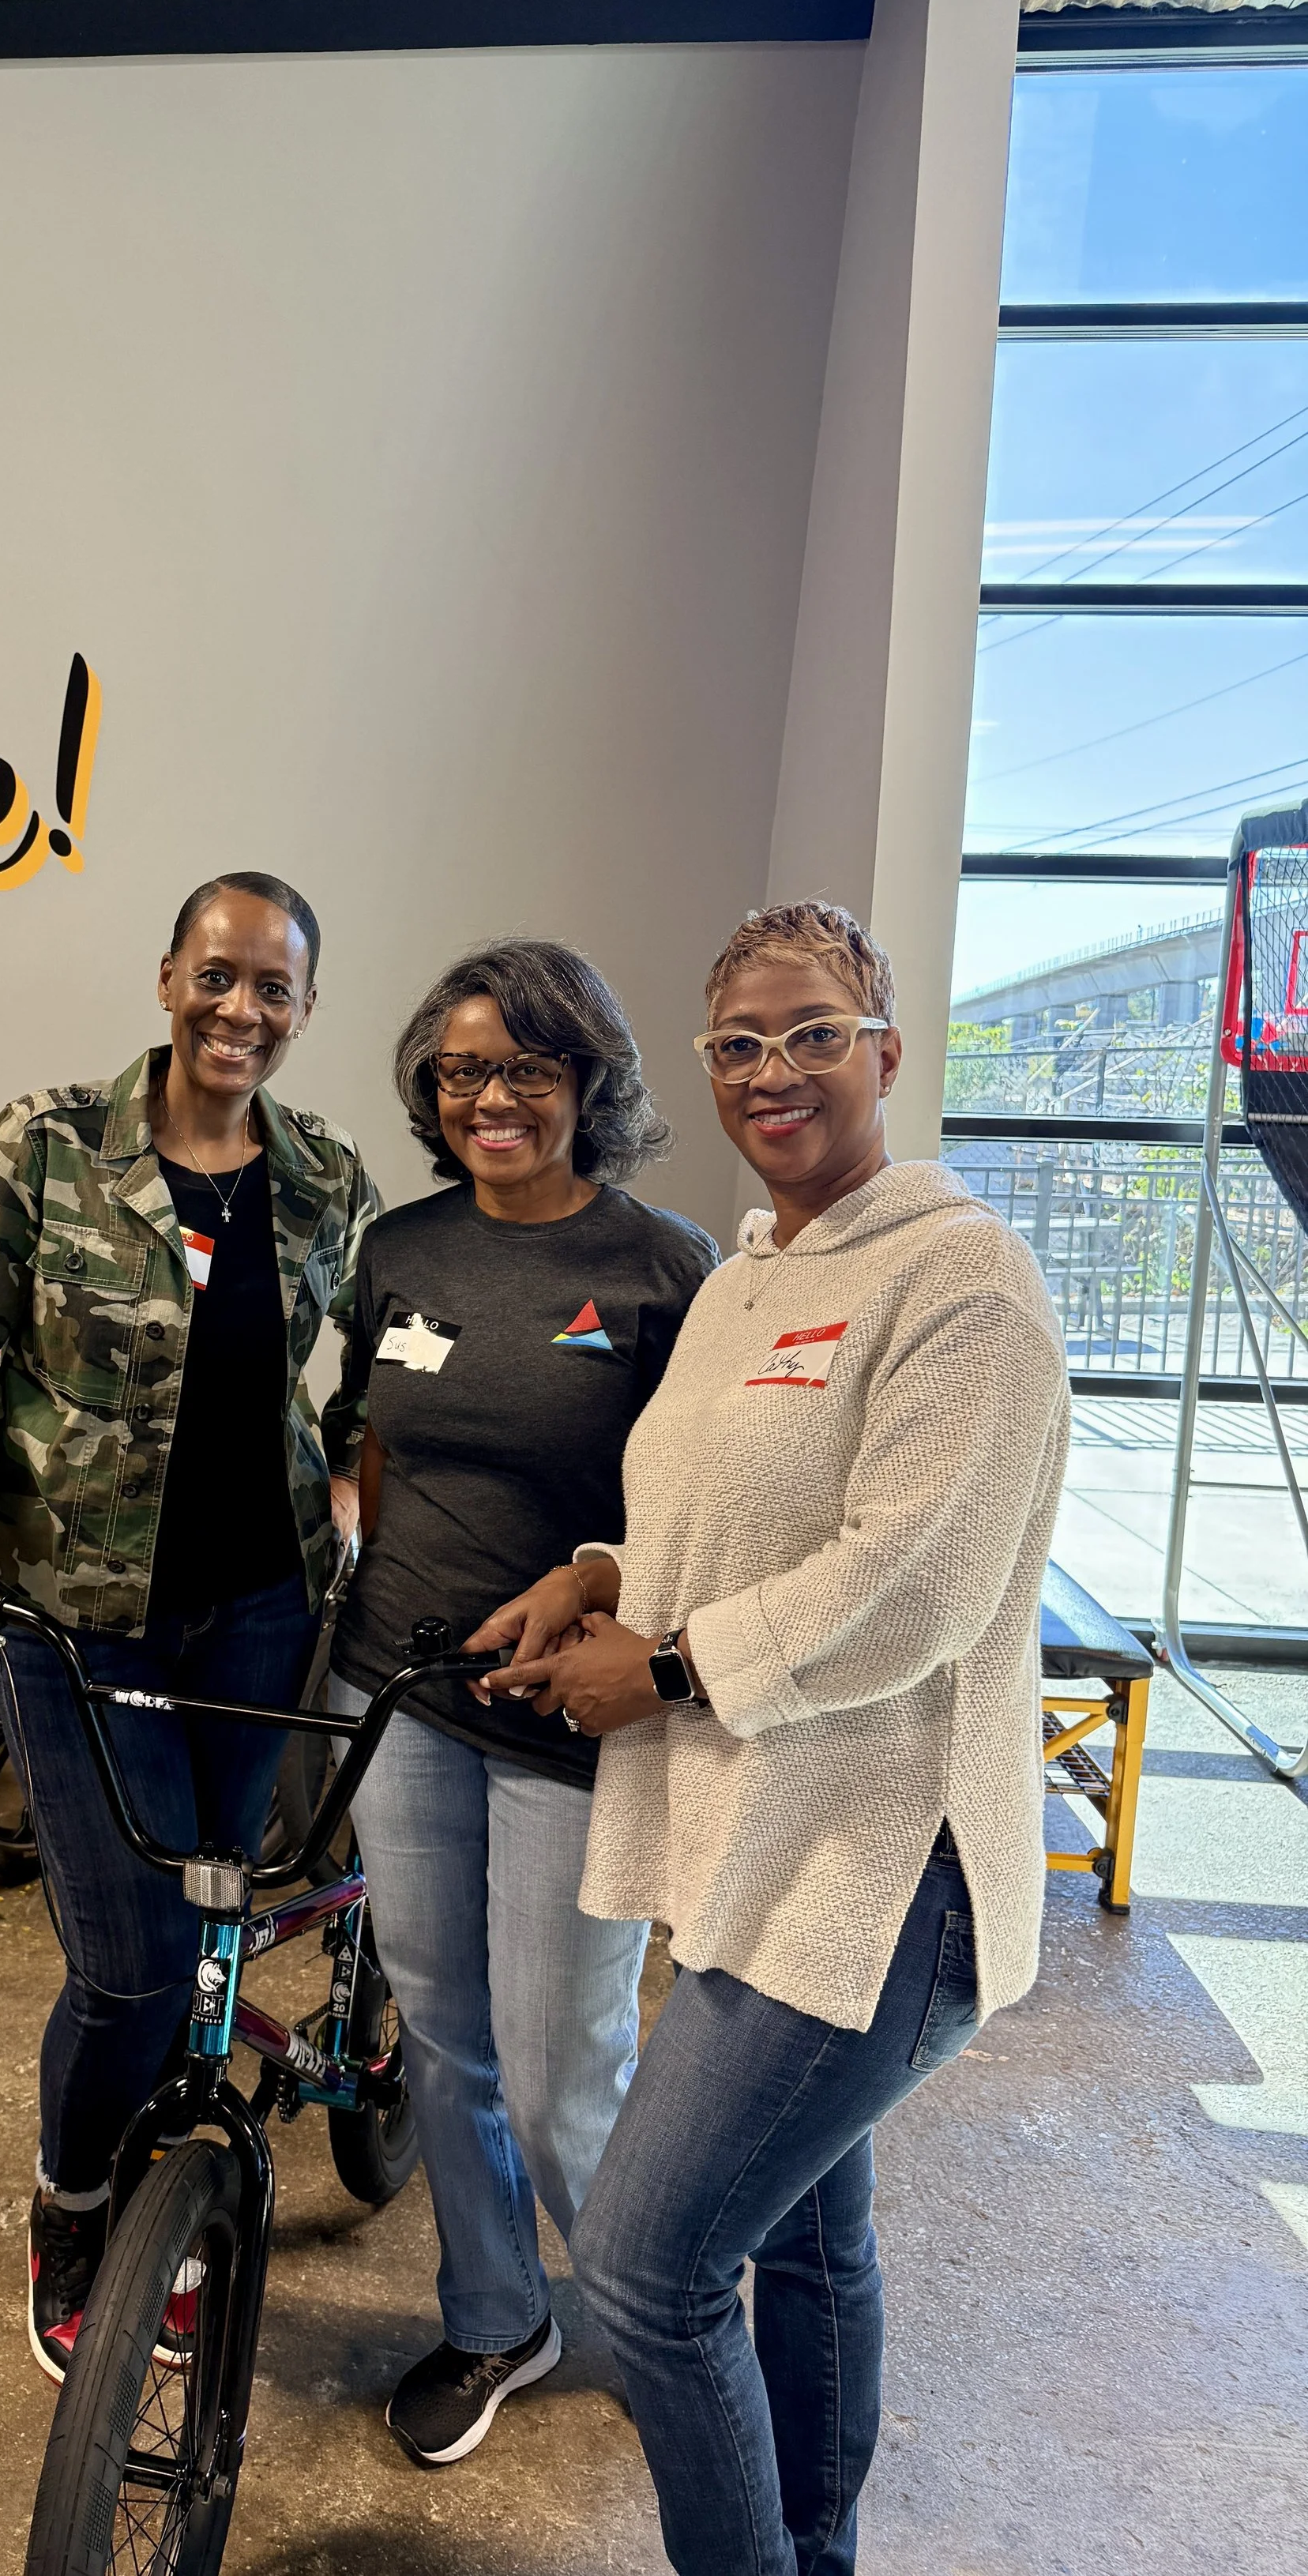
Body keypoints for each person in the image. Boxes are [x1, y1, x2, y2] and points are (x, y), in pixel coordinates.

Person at [469, 901, 1069, 2576]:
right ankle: (813, 2547)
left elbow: (915, 1582)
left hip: (881, 1871)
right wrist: (595, 1571)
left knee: (650, 2278)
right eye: (736, 1043)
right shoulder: (755, 1275)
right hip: (765, 1837)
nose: (772, 1071)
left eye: (812, 1032)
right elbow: (706, 1510)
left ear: (885, 1049)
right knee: (807, 2242)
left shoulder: (961, 1280)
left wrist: (655, 1667)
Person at [0, 871, 376, 2382]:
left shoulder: (325, 1182)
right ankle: (79, 2199)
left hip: (257, 1616)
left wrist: (356, 1471)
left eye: (275, 988)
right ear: (168, 978)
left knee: (219, 1913)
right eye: (219, 975)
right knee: (133, 1958)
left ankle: (177, 2180)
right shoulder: (46, 1148)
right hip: (84, 1625)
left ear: (303, 1010)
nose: (243, 1010)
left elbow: (373, 1377)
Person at [329, 939, 716, 2469]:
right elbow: (366, 1444)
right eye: (462, 1071)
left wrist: (615, 1606)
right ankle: (497, 2314)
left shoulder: (661, 1266)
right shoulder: (396, 1251)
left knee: (563, 2068)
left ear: (586, 1082)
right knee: (441, 2032)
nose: (489, 1097)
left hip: (571, 1714)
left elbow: (697, 1505)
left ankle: (645, 2303)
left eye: (525, 1069)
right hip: (401, 1696)